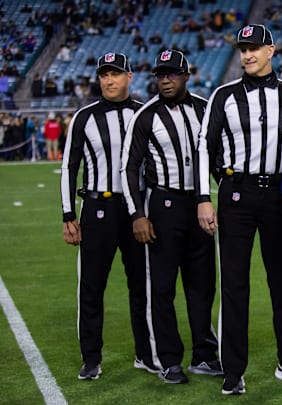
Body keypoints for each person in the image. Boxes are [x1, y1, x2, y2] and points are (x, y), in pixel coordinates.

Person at [196, 24, 282, 396]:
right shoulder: (224, 94)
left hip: (280, 195)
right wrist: (205, 196)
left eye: (254, 48)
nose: (247, 54)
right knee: (234, 285)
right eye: (242, 49)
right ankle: (233, 370)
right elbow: (206, 146)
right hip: (236, 194)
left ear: (272, 50)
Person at [121, 49, 221, 384]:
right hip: (162, 206)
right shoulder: (145, 115)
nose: (165, 80)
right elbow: (130, 167)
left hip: (199, 204)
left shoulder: (205, 110)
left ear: (186, 75)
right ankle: (169, 359)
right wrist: (137, 213)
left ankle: (204, 355)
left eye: (172, 74)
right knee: (162, 287)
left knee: (203, 284)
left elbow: (220, 156)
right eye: (160, 74)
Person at [60, 52, 155, 380]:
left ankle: (146, 354)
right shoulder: (84, 117)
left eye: (115, 74)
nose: (108, 80)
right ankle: (91, 358)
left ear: (130, 76)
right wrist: (67, 214)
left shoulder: (144, 113)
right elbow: (69, 167)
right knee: (91, 287)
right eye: (104, 75)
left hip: (136, 212)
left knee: (142, 286)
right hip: (97, 209)